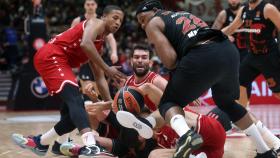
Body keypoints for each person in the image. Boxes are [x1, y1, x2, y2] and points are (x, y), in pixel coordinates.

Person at [135, 0, 277, 157]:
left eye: (142, 19)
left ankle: (186, 135)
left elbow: (171, 61)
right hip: (228, 51)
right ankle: (265, 150)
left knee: (168, 103)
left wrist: (183, 82)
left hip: (203, 54)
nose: (142, 25)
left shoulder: (153, 23)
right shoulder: (183, 14)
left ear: (155, 10)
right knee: (228, 104)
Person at [11, 5, 125, 157]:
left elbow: (99, 78)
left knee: (77, 112)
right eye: (115, 18)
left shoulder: (99, 46)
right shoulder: (95, 22)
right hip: (51, 56)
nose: (118, 22)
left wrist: (109, 102)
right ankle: (91, 145)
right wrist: (107, 68)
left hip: (60, 61)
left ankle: (41, 143)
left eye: (121, 20)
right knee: (76, 101)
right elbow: (85, 44)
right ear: (104, 17)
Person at [60, 44, 169, 157]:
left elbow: (173, 106)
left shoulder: (157, 81)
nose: (140, 60)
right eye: (136, 57)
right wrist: (95, 99)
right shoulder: (126, 81)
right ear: (131, 61)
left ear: (150, 62)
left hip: (149, 137)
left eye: (144, 57)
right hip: (126, 134)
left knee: (137, 117)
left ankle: (98, 150)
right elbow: (117, 108)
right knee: (91, 112)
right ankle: (83, 149)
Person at [222, 0, 280, 153]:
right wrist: (213, 36)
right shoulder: (244, 9)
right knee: (239, 80)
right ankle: (242, 116)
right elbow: (232, 27)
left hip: (270, 57)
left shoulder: (268, 8)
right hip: (252, 57)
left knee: (277, 93)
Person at [116, 83, 227, 158]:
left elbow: (148, 87)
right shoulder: (160, 144)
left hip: (206, 132)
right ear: (141, 139)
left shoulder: (168, 114)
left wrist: (117, 103)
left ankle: (148, 123)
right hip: (206, 153)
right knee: (153, 156)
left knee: (165, 110)